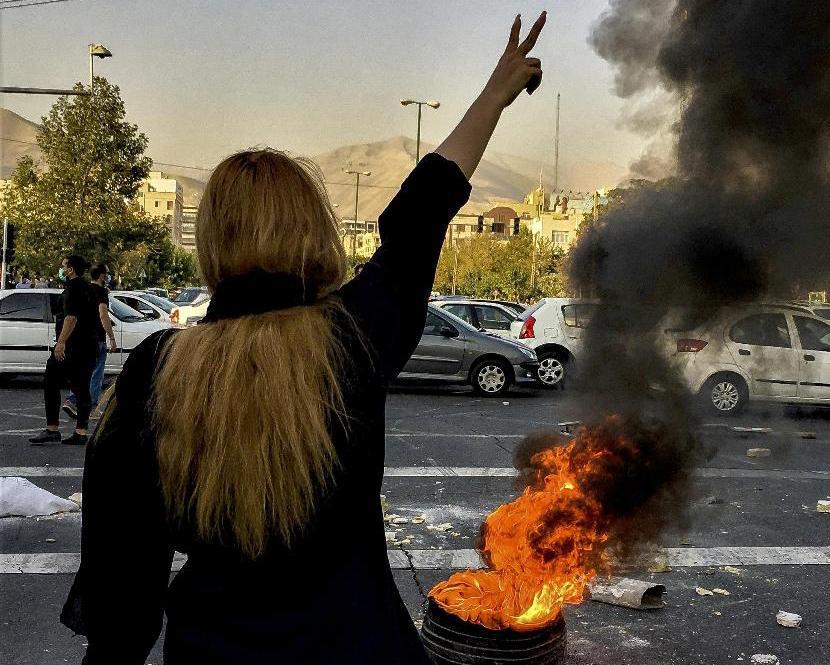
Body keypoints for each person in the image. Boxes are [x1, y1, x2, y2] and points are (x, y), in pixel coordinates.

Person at [61, 12, 546, 664]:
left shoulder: (154, 372)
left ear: (212, 241)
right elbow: (421, 211)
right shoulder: (354, 336)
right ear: (312, 228)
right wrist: (494, 95)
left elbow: (122, 602)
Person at [29, 255, 101, 445]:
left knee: (51, 379)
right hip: (88, 346)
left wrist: (61, 342)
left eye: (63, 266)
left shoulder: (73, 288)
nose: (61, 269)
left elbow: (71, 317)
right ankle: (81, 432)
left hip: (73, 347)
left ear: (70, 269)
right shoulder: (89, 288)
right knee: (81, 387)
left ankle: (52, 429)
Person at [62, 264, 118, 419]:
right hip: (96, 338)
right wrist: (111, 337)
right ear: (101, 275)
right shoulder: (101, 292)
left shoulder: (84, 289)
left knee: (82, 372)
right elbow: (103, 315)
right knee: (96, 374)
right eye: (107, 273)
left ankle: (72, 400)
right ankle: (90, 407)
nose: (108, 276)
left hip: (81, 337)